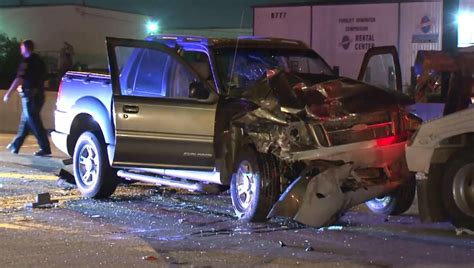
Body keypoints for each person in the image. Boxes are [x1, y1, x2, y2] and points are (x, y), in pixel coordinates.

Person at [3, 40, 51, 156]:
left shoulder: (26, 62)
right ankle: (16, 145)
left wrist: (8, 93)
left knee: (34, 122)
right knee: (26, 121)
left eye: (21, 48)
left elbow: (19, 79)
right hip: (38, 95)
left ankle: (45, 148)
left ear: (25, 48)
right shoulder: (39, 61)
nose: (21, 50)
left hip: (30, 96)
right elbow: (46, 80)